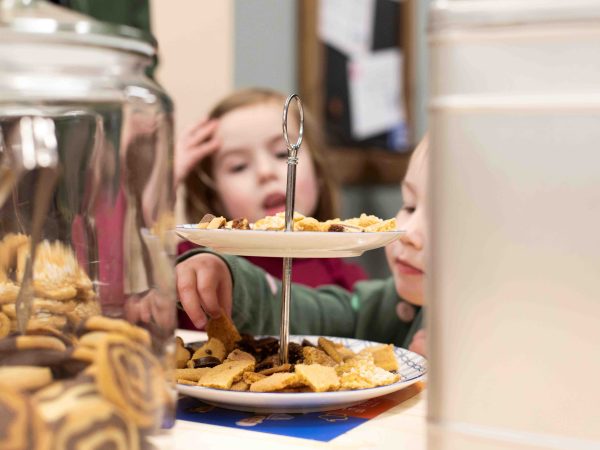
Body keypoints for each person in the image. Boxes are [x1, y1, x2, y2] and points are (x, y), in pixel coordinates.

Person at [175, 136, 429, 354]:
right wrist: (232, 280)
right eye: (409, 205)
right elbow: (306, 312)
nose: (409, 234)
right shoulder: (380, 308)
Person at [175, 88, 368, 313]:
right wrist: (164, 181)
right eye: (238, 166)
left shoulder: (346, 280)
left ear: (318, 173)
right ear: (214, 196)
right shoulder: (188, 264)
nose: (265, 172)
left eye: (281, 153)